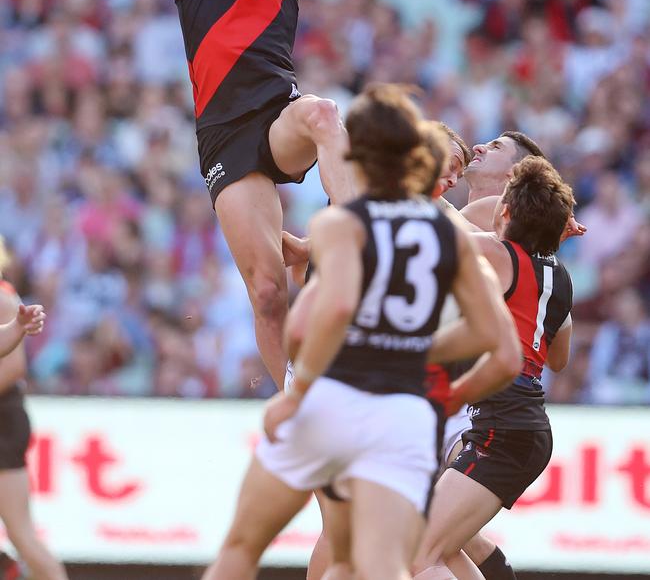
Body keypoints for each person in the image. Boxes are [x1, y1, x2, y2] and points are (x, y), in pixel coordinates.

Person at [201, 84, 521, 580]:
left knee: (245, 546)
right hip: (404, 416)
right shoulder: (453, 237)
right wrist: (427, 365)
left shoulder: (342, 223)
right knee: (389, 563)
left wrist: (297, 390)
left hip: (335, 394)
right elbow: (501, 349)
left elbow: (331, 310)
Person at [173, 0, 352, 387]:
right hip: (225, 134)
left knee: (324, 114)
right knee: (270, 292)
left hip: (278, 115)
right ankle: (295, 402)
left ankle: (357, 225)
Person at [414, 157, 575, 580]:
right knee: (442, 547)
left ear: (504, 212)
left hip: (501, 425)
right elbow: (559, 356)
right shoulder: (562, 279)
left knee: (417, 552)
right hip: (524, 423)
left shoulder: (498, 254)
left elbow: (436, 230)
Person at [0, 239, 66, 580]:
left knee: (21, 532)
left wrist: (14, 328)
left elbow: (12, 369)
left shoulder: (2, 297)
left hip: (3, 420)